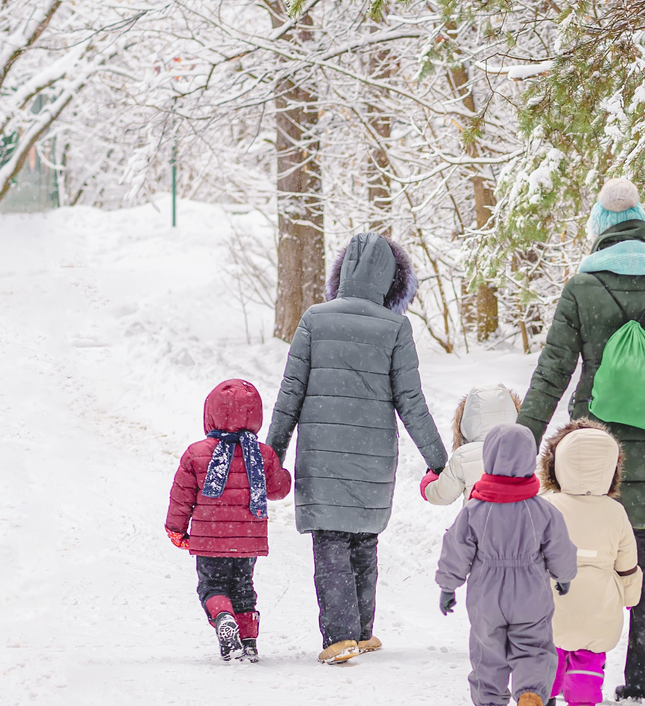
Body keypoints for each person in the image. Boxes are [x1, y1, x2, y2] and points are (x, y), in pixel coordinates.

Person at [517, 178, 645, 702]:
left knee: (586, 562)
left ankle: (577, 675)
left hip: (593, 456)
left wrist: (522, 443)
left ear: (600, 233)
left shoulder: (582, 289)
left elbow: (551, 374)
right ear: (642, 226)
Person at [266, 233, 449, 665]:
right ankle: (362, 631)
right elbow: (412, 402)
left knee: (330, 541)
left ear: (342, 273)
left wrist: (272, 452)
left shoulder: (314, 319)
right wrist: (439, 461)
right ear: (392, 282)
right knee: (363, 539)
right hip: (373, 455)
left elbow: (289, 393)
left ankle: (340, 636)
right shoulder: (396, 327)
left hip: (321, 454)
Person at [436, 425, 579, 706]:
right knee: (534, 647)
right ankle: (531, 702)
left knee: (488, 651)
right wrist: (564, 576)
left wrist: (449, 585)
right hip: (530, 590)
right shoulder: (542, 510)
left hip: (487, 591)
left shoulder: (475, 509)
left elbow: (456, 547)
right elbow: (560, 546)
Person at [165, 378, 293, 663]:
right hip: (247, 540)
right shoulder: (262, 454)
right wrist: (282, 472)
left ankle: (223, 617)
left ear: (210, 412)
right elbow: (278, 490)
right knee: (244, 587)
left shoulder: (197, 453)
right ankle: (248, 643)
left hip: (210, 541)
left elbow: (182, 495)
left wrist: (176, 529)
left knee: (212, 586)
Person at [537, 420, 642, 706]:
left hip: (556, 592)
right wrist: (629, 594)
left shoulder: (548, 506)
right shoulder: (615, 511)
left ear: (555, 465)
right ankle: (581, 702)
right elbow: (627, 560)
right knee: (589, 652)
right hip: (600, 597)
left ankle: (544, 691)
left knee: (551, 645)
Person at [420, 384, 521, 506]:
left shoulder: (464, 457)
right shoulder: (524, 453)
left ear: (467, 419)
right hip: (518, 524)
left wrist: (429, 481)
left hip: (477, 523)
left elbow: (441, 495)